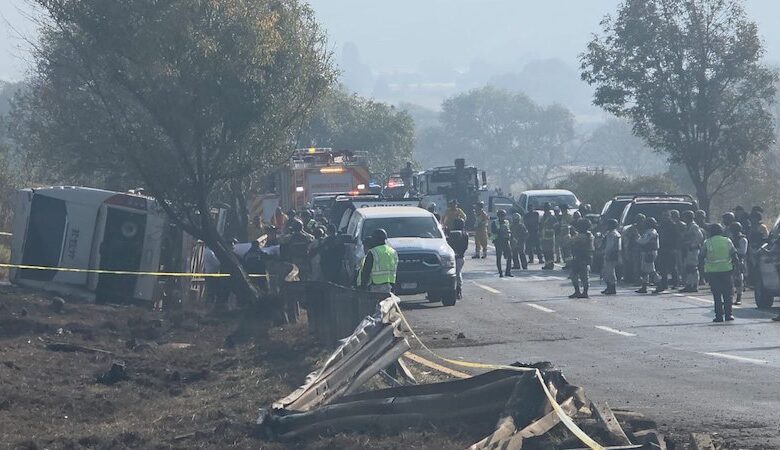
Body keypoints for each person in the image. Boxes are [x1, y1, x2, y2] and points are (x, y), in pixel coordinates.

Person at [702, 224, 738, 322]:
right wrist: (737, 270)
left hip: (712, 273)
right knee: (728, 294)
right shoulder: (727, 241)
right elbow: (735, 256)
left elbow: (701, 257)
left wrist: (702, 273)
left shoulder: (707, 242)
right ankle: (728, 315)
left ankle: (718, 316)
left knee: (717, 295)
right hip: (727, 271)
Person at [358, 228, 399, 294]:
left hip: (375, 286)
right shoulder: (393, 252)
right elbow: (396, 270)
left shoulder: (373, 252)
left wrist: (363, 286)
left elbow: (366, 271)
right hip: (389, 286)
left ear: (376, 239)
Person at [679, 210, 705, 292]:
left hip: (693, 249)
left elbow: (700, 236)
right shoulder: (688, 226)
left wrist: (693, 245)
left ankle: (694, 285)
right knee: (689, 267)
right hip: (688, 249)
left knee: (693, 267)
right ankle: (689, 284)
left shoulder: (694, 226)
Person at [568, 218, 594, 298]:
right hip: (586, 257)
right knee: (584, 276)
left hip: (580, 257)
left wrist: (571, 234)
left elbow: (570, 242)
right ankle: (583, 292)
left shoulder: (582, 236)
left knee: (575, 275)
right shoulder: (590, 235)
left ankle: (579, 292)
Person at [654, 210, 676, 294]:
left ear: (669, 216)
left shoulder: (673, 225)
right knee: (663, 268)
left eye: (667, 215)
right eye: (664, 216)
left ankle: (675, 283)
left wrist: (675, 248)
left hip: (671, 248)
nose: (665, 217)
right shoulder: (660, 226)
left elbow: (676, 237)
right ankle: (664, 283)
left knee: (672, 267)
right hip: (662, 248)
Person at [447, 218, 469, 299]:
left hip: (455, 257)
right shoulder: (465, 233)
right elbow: (465, 247)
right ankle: (458, 290)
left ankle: (457, 290)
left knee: (455, 273)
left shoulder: (452, 233)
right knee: (458, 273)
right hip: (460, 256)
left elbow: (449, 243)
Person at [636, 217, 659, 294]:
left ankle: (660, 284)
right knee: (645, 270)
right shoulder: (649, 231)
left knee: (651, 270)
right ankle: (644, 286)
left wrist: (637, 238)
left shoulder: (651, 232)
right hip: (646, 252)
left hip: (649, 252)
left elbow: (643, 241)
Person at [622, 214, 646, 285]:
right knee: (636, 265)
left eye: (642, 220)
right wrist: (627, 250)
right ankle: (637, 279)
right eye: (639, 220)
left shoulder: (646, 228)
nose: (640, 221)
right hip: (635, 249)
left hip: (644, 249)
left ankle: (645, 280)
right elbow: (627, 240)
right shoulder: (631, 229)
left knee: (645, 266)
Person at [729, 222, 748, 305]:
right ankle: (730, 297)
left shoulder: (742, 239)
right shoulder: (731, 238)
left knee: (738, 280)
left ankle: (738, 298)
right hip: (730, 261)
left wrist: (733, 250)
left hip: (739, 261)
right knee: (730, 280)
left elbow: (742, 251)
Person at [601, 219, 621, 295]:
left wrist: (607, 254)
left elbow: (610, 246)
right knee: (606, 271)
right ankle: (609, 287)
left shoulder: (612, 234)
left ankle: (612, 288)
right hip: (613, 254)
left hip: (611, 254)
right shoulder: (612, 233)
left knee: (610, 272)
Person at [491, 209, 513, 277]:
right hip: (498, 241)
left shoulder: (506, 222)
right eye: (501, 215)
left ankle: (508, 272)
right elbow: (493, 231)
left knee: (509, 256)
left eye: (503, 215)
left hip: (506, 241)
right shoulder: (495, 222)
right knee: (499, 257)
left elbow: (509, 230)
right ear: (498, 216)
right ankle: (500, 272)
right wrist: (500, 230)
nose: (502, 217)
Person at [540, 204, 557, 270]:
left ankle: (551, 265)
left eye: (546, 209)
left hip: (550, 237)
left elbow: (556, 226)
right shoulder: (543, 217)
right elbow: (541, 226)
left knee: (550, 252)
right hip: (544, 237)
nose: (545, 210)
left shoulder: (552, 217)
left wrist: (550, 230)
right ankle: (547, 264)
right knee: (545, 251)